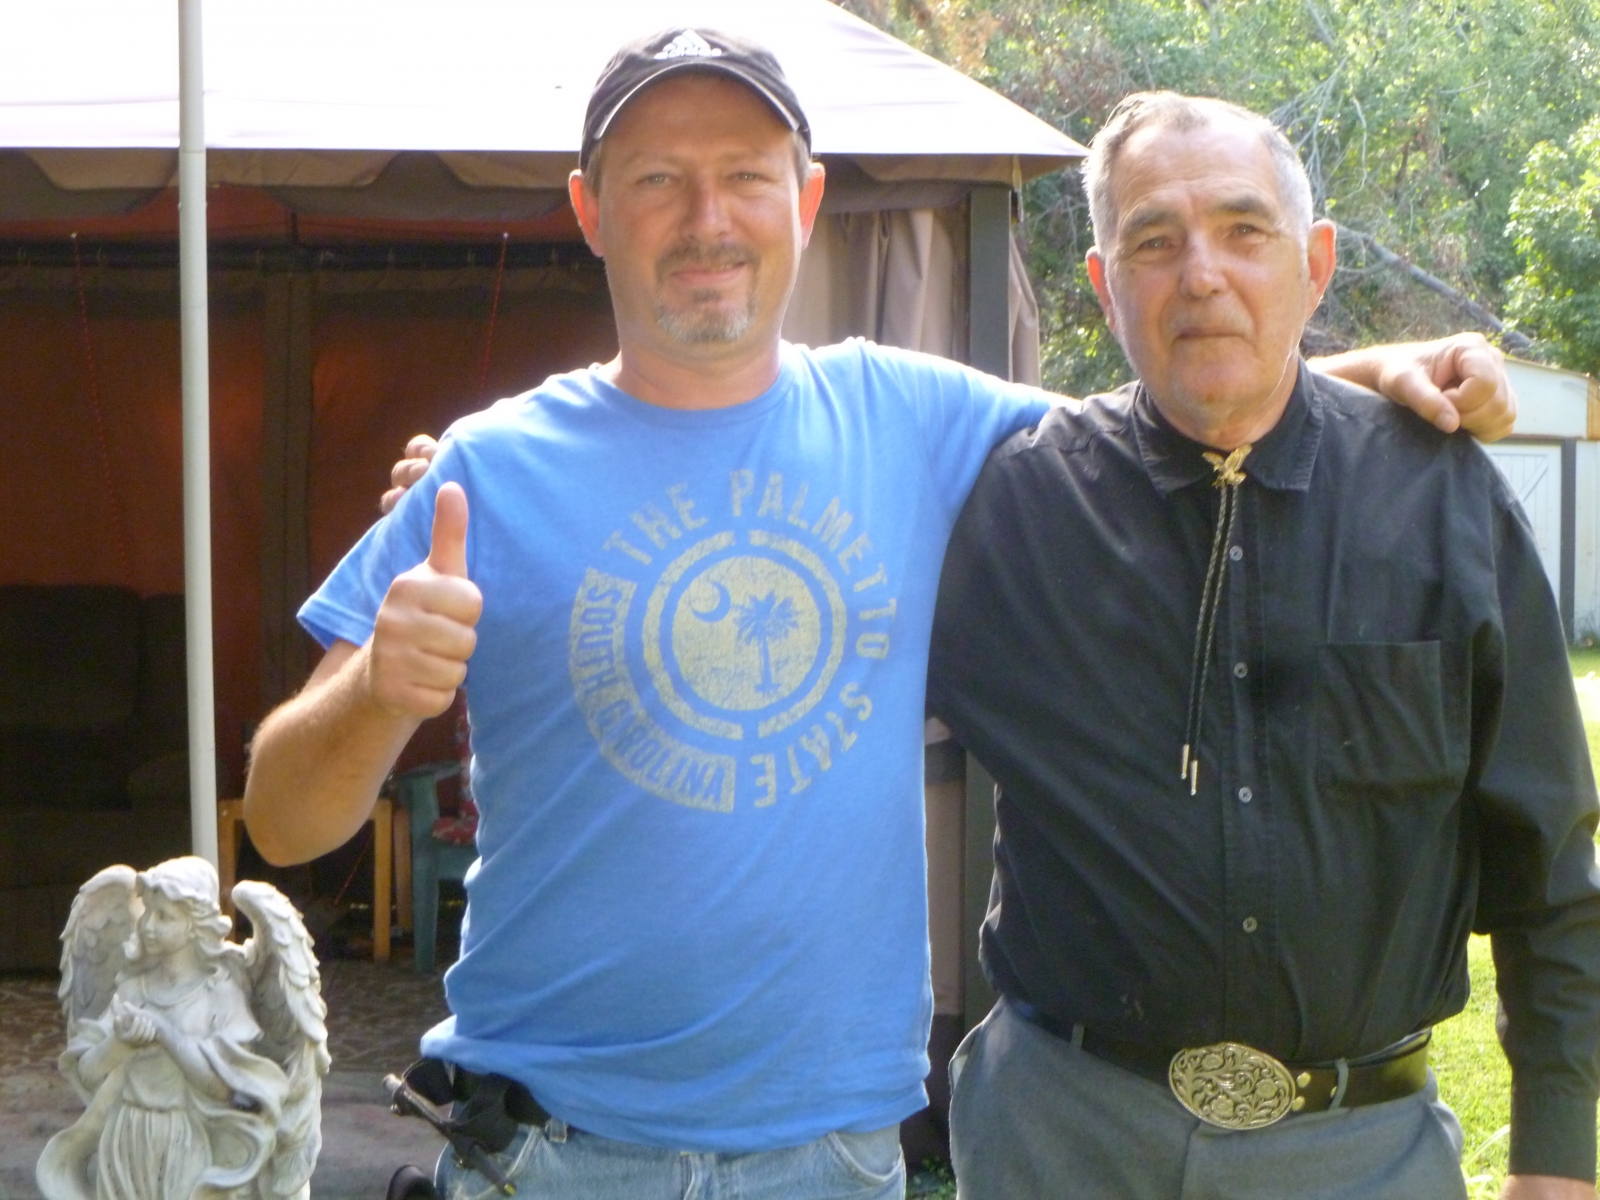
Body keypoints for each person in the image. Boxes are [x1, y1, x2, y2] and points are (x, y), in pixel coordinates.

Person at [244, 27, 1515, 1200]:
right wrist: (379, 694)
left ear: (804, 202)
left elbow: (1160, 424)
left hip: (835, 1158)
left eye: (746, 177)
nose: (707, 220)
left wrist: (1373, 374)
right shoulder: (487, 469)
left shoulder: (912, 419)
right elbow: (286, 819)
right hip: (551, 1155)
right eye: (657, 181)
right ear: (589, 210)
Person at [927, 91, 1600, 1200]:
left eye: (1245, 231)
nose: (1202, 275)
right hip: (1062, 1138)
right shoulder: (1016, 507)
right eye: (1154, 241)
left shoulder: (1444, 504)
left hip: (1359, 1157)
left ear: (1315, 264)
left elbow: (1553, 868)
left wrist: (1557, 1164)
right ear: (1102, 286)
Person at [40, 858, 290, 1200]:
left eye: (165, 917)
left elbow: (225, 1089)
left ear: (195, 925)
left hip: (185, 1141)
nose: (148, 925)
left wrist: (163, 1033)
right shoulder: (132, 990)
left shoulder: (219, 994)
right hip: (125, 1139)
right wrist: (119, 1045)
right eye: (148, 913)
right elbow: (87, 1071)